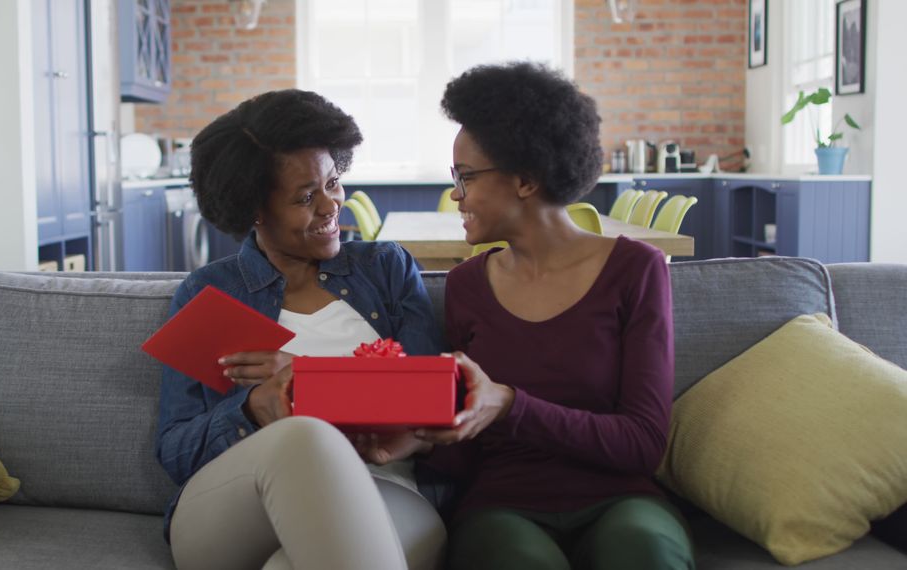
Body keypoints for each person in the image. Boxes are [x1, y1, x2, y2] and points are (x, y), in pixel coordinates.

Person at [399, 62, 695, 569]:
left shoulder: (636, 270)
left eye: (466, 176)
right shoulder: (467, 286)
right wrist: (419, 440)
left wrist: (511, 405)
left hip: (623, 498)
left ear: (526, 180)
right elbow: (467, 446)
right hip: (502, 506)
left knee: (644, 551)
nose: (456, 194)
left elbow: (644, 445)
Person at [155, 89, 446, 570]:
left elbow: (436, 403)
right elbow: (175, 452)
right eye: (305, 197)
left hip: (385, 489)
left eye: (333, 182)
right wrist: (250, 409)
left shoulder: (385, 268)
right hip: (232, 508)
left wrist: (310, 379)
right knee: (304, 438)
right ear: (254, 208)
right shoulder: (210, 294)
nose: (331, 205)